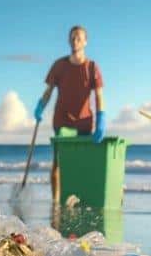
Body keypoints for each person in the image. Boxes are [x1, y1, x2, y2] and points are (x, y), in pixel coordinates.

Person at [34, 25, 105, 203]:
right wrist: (41, 106)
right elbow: (49, 91)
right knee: (58, 162)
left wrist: (101, 118)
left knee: (83, 163)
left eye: (79, 38)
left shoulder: (92, 67)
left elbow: (99, 96)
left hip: (85, 122)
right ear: (68, 40)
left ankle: (79, 199)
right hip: (62, 120)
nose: (75, 41)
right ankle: (55, 202)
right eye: (72, 38)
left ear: (85, 42)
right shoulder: (59, 65)